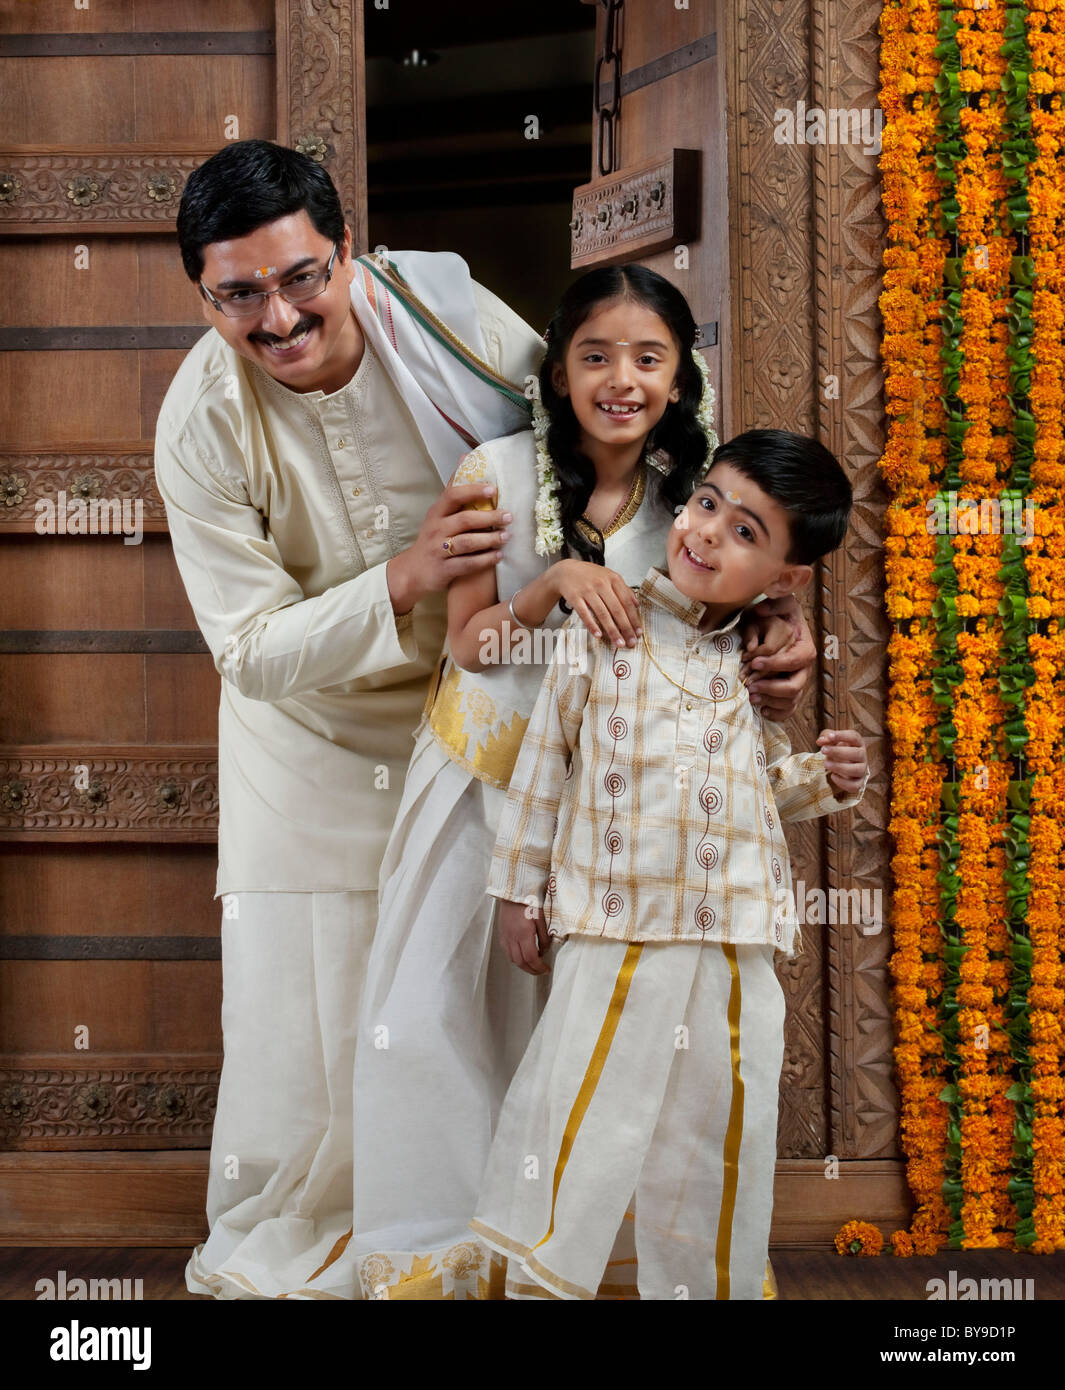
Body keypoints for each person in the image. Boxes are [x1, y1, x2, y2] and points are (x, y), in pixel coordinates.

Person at [351, 269, 820, 1300]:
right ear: (557, 371)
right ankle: (432, 1248)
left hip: (619, 814)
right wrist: (554, 581)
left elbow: (744, 617)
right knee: (437, 1009)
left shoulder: (694, 496)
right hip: (485, 773)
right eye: (595, 356)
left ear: (680, 374)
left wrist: (786, 635)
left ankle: (563, 1240)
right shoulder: (495, 473)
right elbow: (473, 643)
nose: (623, 380)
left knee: (570, 1032)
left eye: (650, 358)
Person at [154, 139, 548, 1299]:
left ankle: (464, 1225)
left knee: (463, 985)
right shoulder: (199, 422)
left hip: (470, 707)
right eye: (239, 294)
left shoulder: (444, 312)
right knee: (312, 1028)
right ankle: (327, 1233)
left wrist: (741, 597)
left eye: (302, 278)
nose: (278, 319)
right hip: (307, 738)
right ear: (203, 293)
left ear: (347, 252)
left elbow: (589, 435)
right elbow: (249, 650)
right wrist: (405, 578)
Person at [470, 429, 870, 1300]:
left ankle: (707, 1285)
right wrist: (515, 893)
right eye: (708, 503)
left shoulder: (751, 661)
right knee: (588, 1109)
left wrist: (824, 781)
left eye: (745, 533)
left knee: (717, 1124)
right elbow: (543, 767)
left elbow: (756, 788)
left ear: (785, 581)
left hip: (730, 935)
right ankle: (545, 1277)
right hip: (614, 923)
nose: (706, 531)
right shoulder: (604, 627)